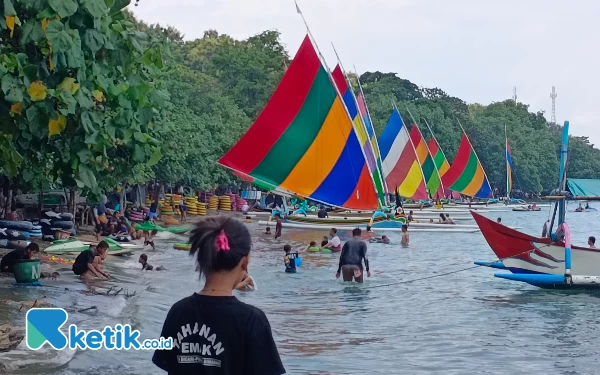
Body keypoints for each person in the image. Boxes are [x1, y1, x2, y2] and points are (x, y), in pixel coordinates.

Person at [152, 216, 285, 374]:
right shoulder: (252, 320)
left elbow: (169, 365)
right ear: (245, 261)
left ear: (201, 260)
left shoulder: (177, 312)